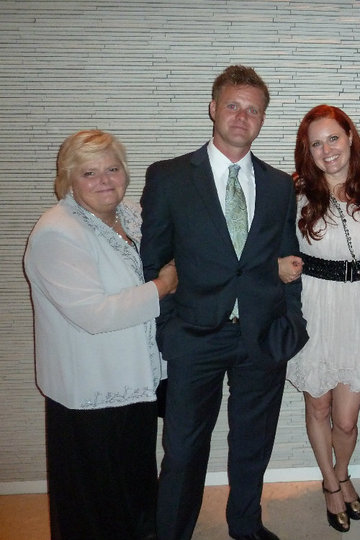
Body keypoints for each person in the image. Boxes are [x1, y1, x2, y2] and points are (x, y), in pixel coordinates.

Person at [140, 65, 308, 540]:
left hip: (261, 334)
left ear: (262, 119)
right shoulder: (170, 177)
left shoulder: (278, 185)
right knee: (183, 450)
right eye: (233, 105)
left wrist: (290, 320)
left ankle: (245, 526)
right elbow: (153, 260)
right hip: (194, 336)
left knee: (253, 445)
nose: (241, 116)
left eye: (253, 110)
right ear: (213, 108)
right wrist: (168, 327)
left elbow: (287, 258)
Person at [24, 129, 178, 540]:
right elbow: (93, 314)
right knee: (94, 499)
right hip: (91, 388)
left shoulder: (130, 214)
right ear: (69, 180)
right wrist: (162, 287)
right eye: (89, 173)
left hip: (136, 378)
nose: (104, 181)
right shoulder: (58, 231)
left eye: (112, 169)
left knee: (134, 482)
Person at [280, 105, 360, 533]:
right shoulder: (296, 193)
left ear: (350, 137)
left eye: (333, 138)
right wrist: (277, 267)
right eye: (316, 144)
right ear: (307, 151)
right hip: (316, 307)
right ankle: (330, 483)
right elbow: (265, 246)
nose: (327, 150)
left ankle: (343, 473)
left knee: (346, 419)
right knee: (319, 406)